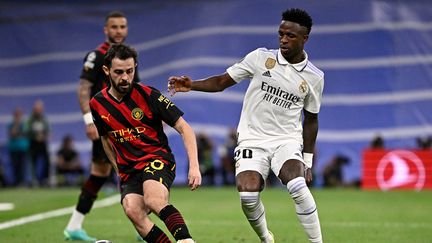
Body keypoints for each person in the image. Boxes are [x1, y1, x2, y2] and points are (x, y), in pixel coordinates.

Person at [168, 8, 323, 243]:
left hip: (286, 140)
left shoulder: (314, 77)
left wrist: (308, 161)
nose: (283, 39)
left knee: (298, 185)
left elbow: (311, 119)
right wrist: (191, 85)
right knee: (248, 195)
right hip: (252, 139)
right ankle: (266, 238)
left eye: (290, 35)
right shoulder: (260, 58)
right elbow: (221, 82)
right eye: (281, 33)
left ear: (304, 38)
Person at [90, 43, 201, 243]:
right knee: (133, 210)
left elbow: (185, 128)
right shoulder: (97, 104)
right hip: (129, 170)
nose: (125, 77)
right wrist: (119, 171)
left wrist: (194, 166)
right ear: (106, 71)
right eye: (119, 72)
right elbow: (105, 139)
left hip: (157, 159)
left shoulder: (149, 95)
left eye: (130, 71)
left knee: (154, 199)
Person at [64, 11, 139, 241]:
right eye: (114, 27)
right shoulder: (97, 56)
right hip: (105, 126)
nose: (118, 31)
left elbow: (134, 92)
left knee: (102, 174)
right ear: (106, 30)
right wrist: (89, 121)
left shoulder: (128, 57)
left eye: (122, 26)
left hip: (124, 125)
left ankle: (74, 226)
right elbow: (83, 89)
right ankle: (142, 228)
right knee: (126, 173)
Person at [27, 99, 50, 187]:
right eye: (37, 109)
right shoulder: (30, 119)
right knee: (33, 162)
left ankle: (45, 179)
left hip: (42, 143)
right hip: (33, 143)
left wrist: (44, 136)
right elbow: (26, 130)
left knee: (46, 161)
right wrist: (35, 136)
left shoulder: (44, 119)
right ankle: (33, 180)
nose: (39, 110)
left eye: (40, 109)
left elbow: (48, 130)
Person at [7, 107, 30, 187]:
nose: (18, 116)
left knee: (22, 166)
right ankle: (16, 182)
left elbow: (25, 134)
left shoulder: (25, 124)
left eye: (19, 114)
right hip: (13, 148)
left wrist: (17, 134)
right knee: (15, 166)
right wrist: (16, 125)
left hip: (23, 148)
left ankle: (22, 182)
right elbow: (12, 134)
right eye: (16, 114)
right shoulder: (11, 124)